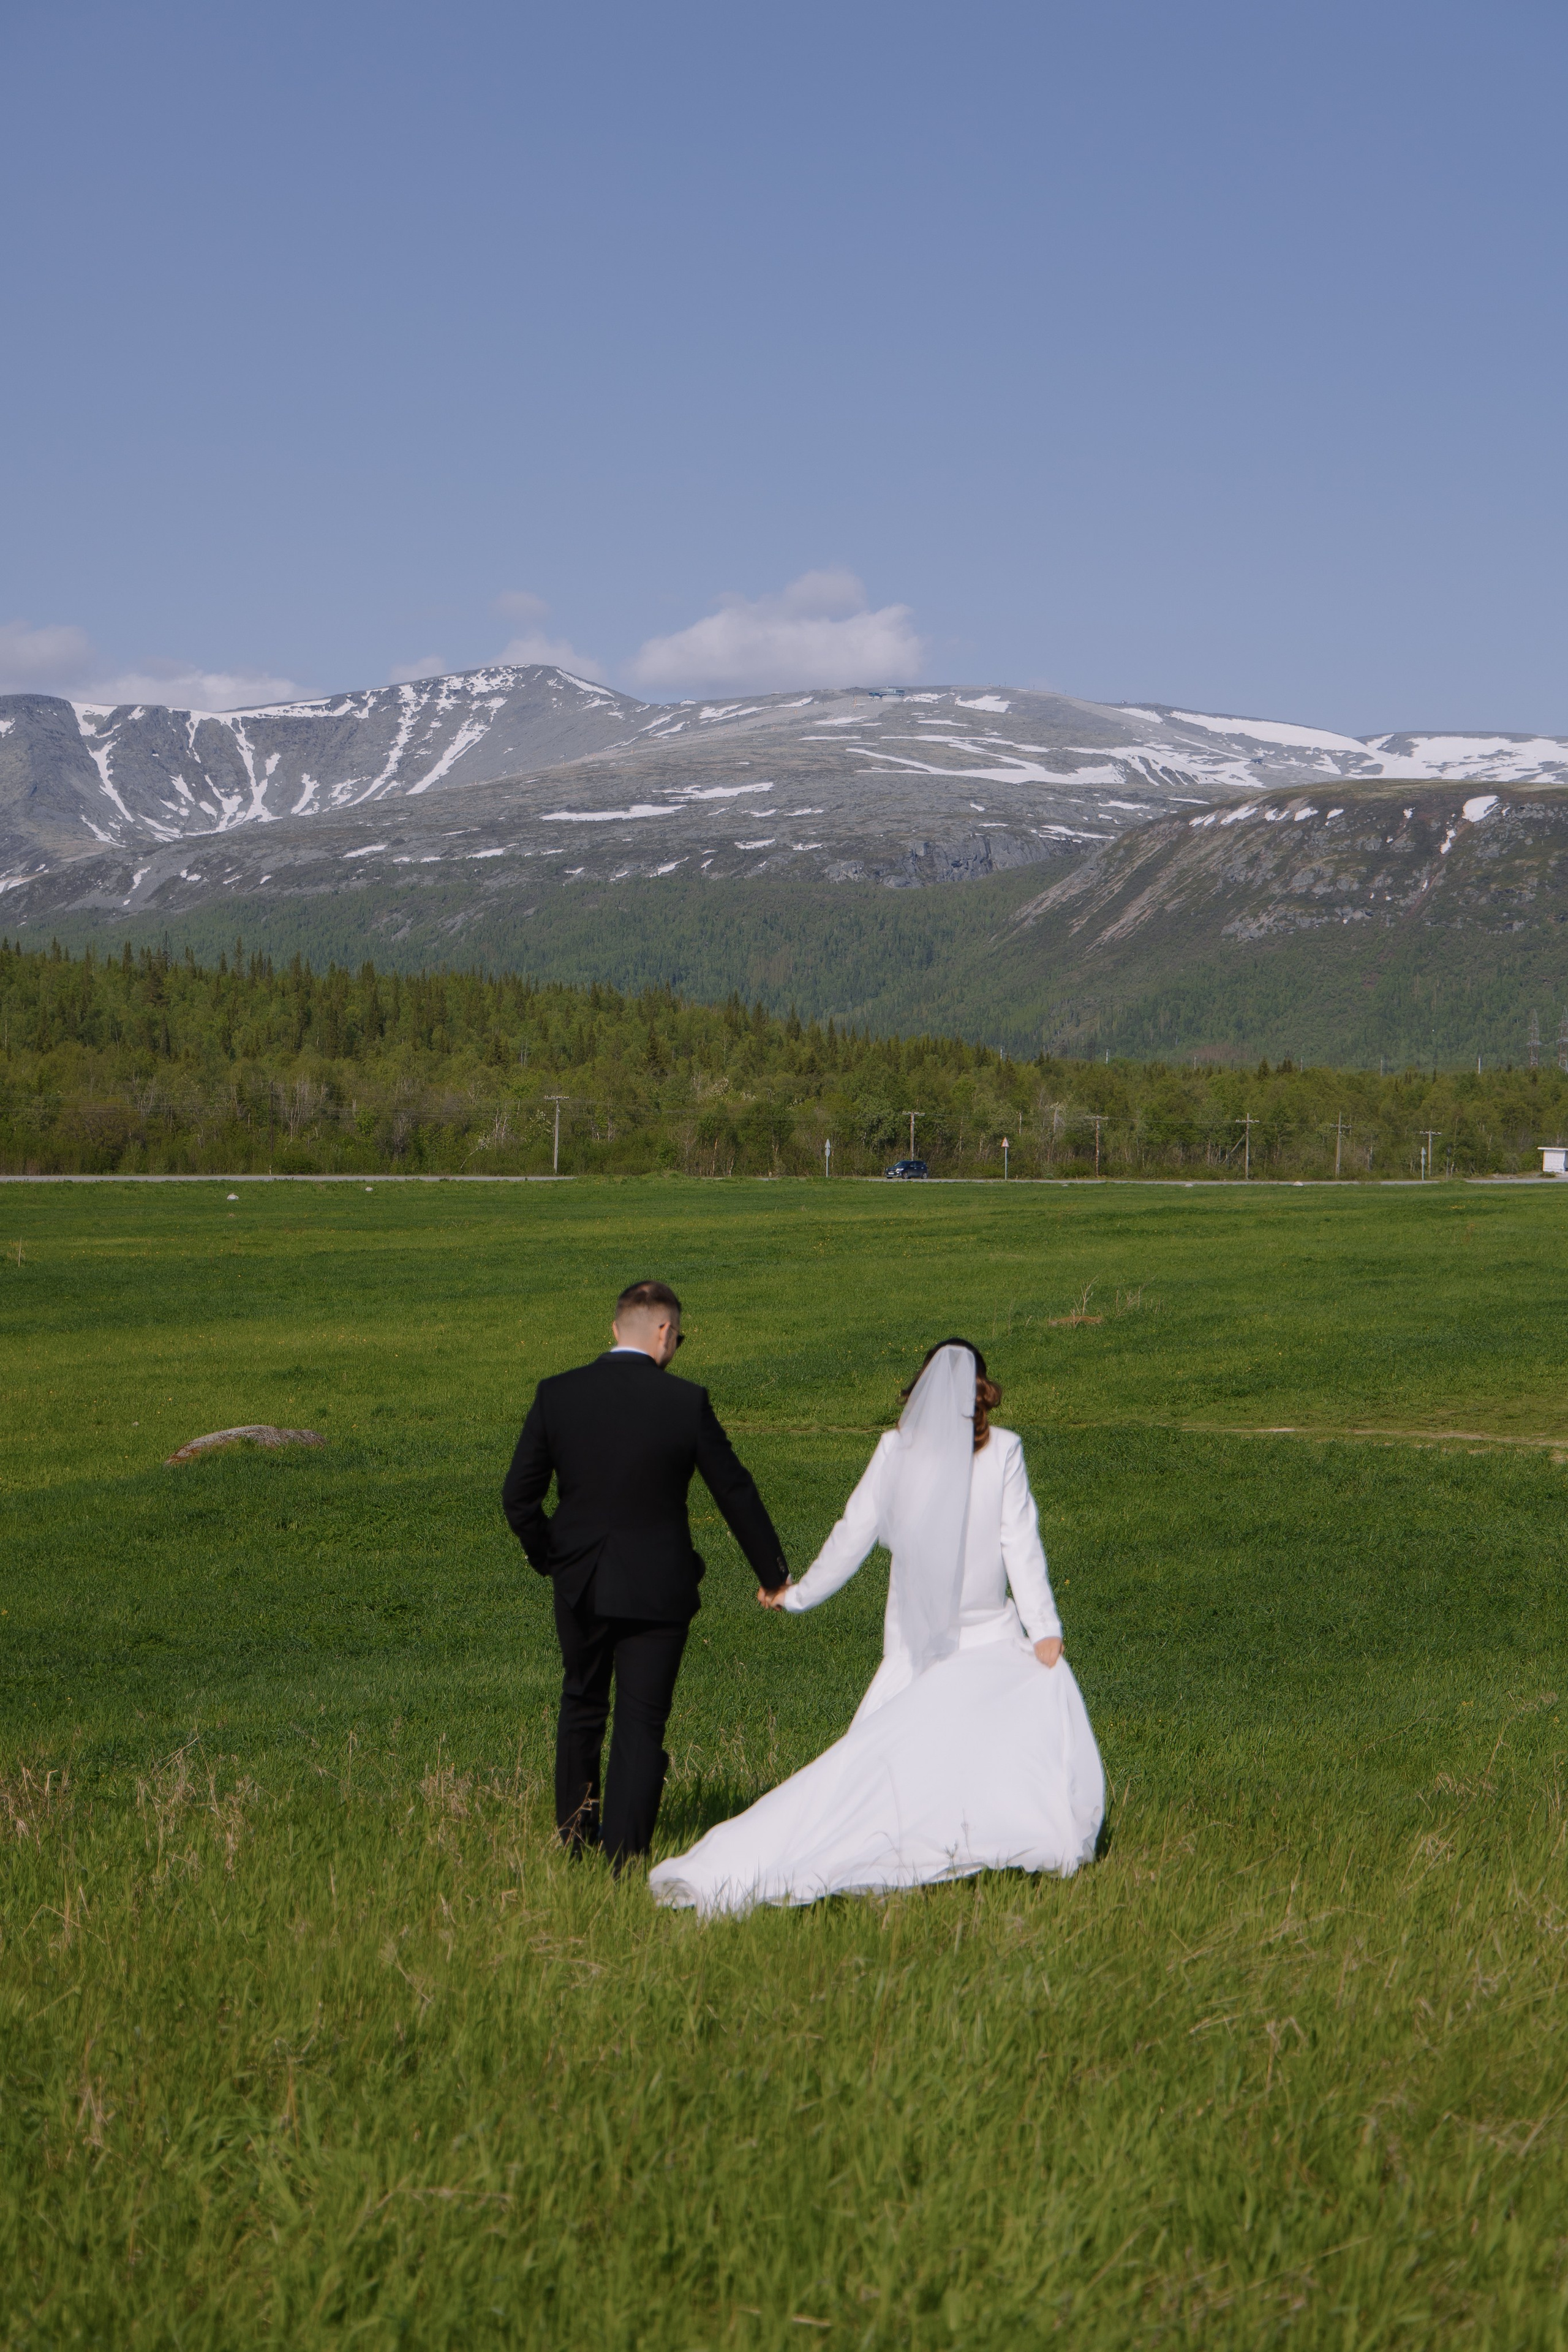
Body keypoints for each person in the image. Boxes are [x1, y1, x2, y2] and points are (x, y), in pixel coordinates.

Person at [648, 1339, 1103, 1915]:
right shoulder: (1001, 1449)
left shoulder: (899, 1449)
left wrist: (798, 1595)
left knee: (883, 1775)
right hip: (972, 1639)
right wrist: (1044, 1629)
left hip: (930, 1644)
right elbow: (1020, 1543)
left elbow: (852, 1534)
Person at [502, 1280, 789, 1866]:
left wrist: (552, 1558)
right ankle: (625, 1859)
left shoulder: (557, 1394)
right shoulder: (684, 1402)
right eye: (679, 1337)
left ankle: (576, 1844)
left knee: (581, 1704)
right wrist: (773, 1574)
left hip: (580, 1582)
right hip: (659, 1589)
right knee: (640, 1723)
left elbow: (518, 1498)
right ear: (664, 1332)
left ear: (616, 1329)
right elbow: (733, 1489)